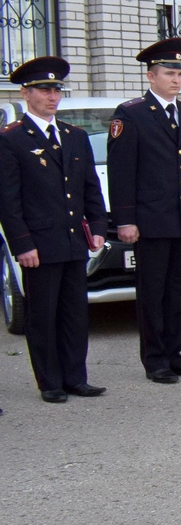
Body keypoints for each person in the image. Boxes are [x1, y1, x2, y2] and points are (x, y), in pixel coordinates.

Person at [0, 57, 108, 402]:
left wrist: (100, 228)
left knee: (74, 314)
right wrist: (22, 244)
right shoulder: (12, 139)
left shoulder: (75, 137)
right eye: (44, 90)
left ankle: (76, 377)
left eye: (56, 90)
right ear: (26, 93)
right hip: (40, 245)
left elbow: (91, 187)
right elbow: (8, 199)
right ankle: (50, 382)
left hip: (74, 240)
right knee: (43, 316)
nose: (52, 96)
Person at [108, 38, 181, 383]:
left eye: (179, 73)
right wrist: (125, 219)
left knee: (180, 290)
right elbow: (122, 171)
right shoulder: (132, 114)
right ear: (151, 77)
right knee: (152, 292)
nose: (176, 79)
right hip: (151, 220)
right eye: (169, 73)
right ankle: (155, 360)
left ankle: (175, 353)